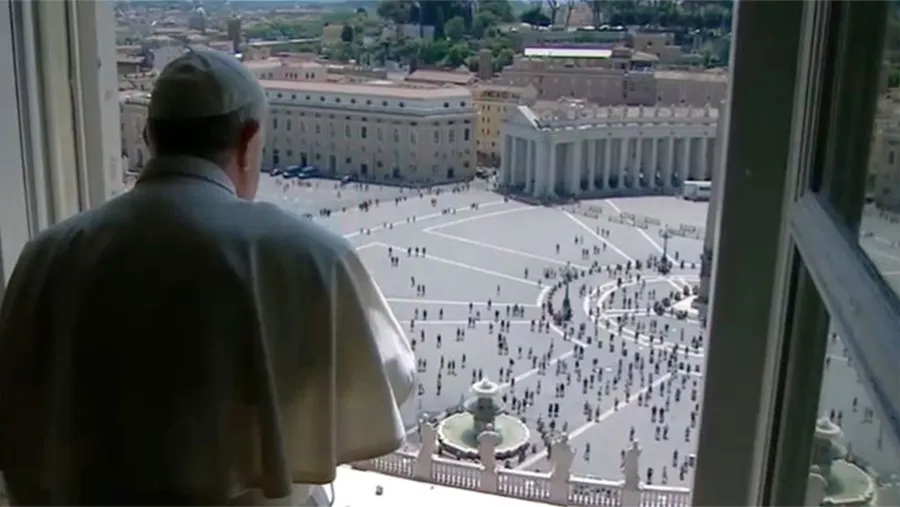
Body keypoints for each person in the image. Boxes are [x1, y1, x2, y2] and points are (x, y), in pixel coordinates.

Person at [0, 50, 414, 506]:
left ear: (149, 136)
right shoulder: (311, 256)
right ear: (248, 142)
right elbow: (389, 377)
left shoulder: (45, 255)